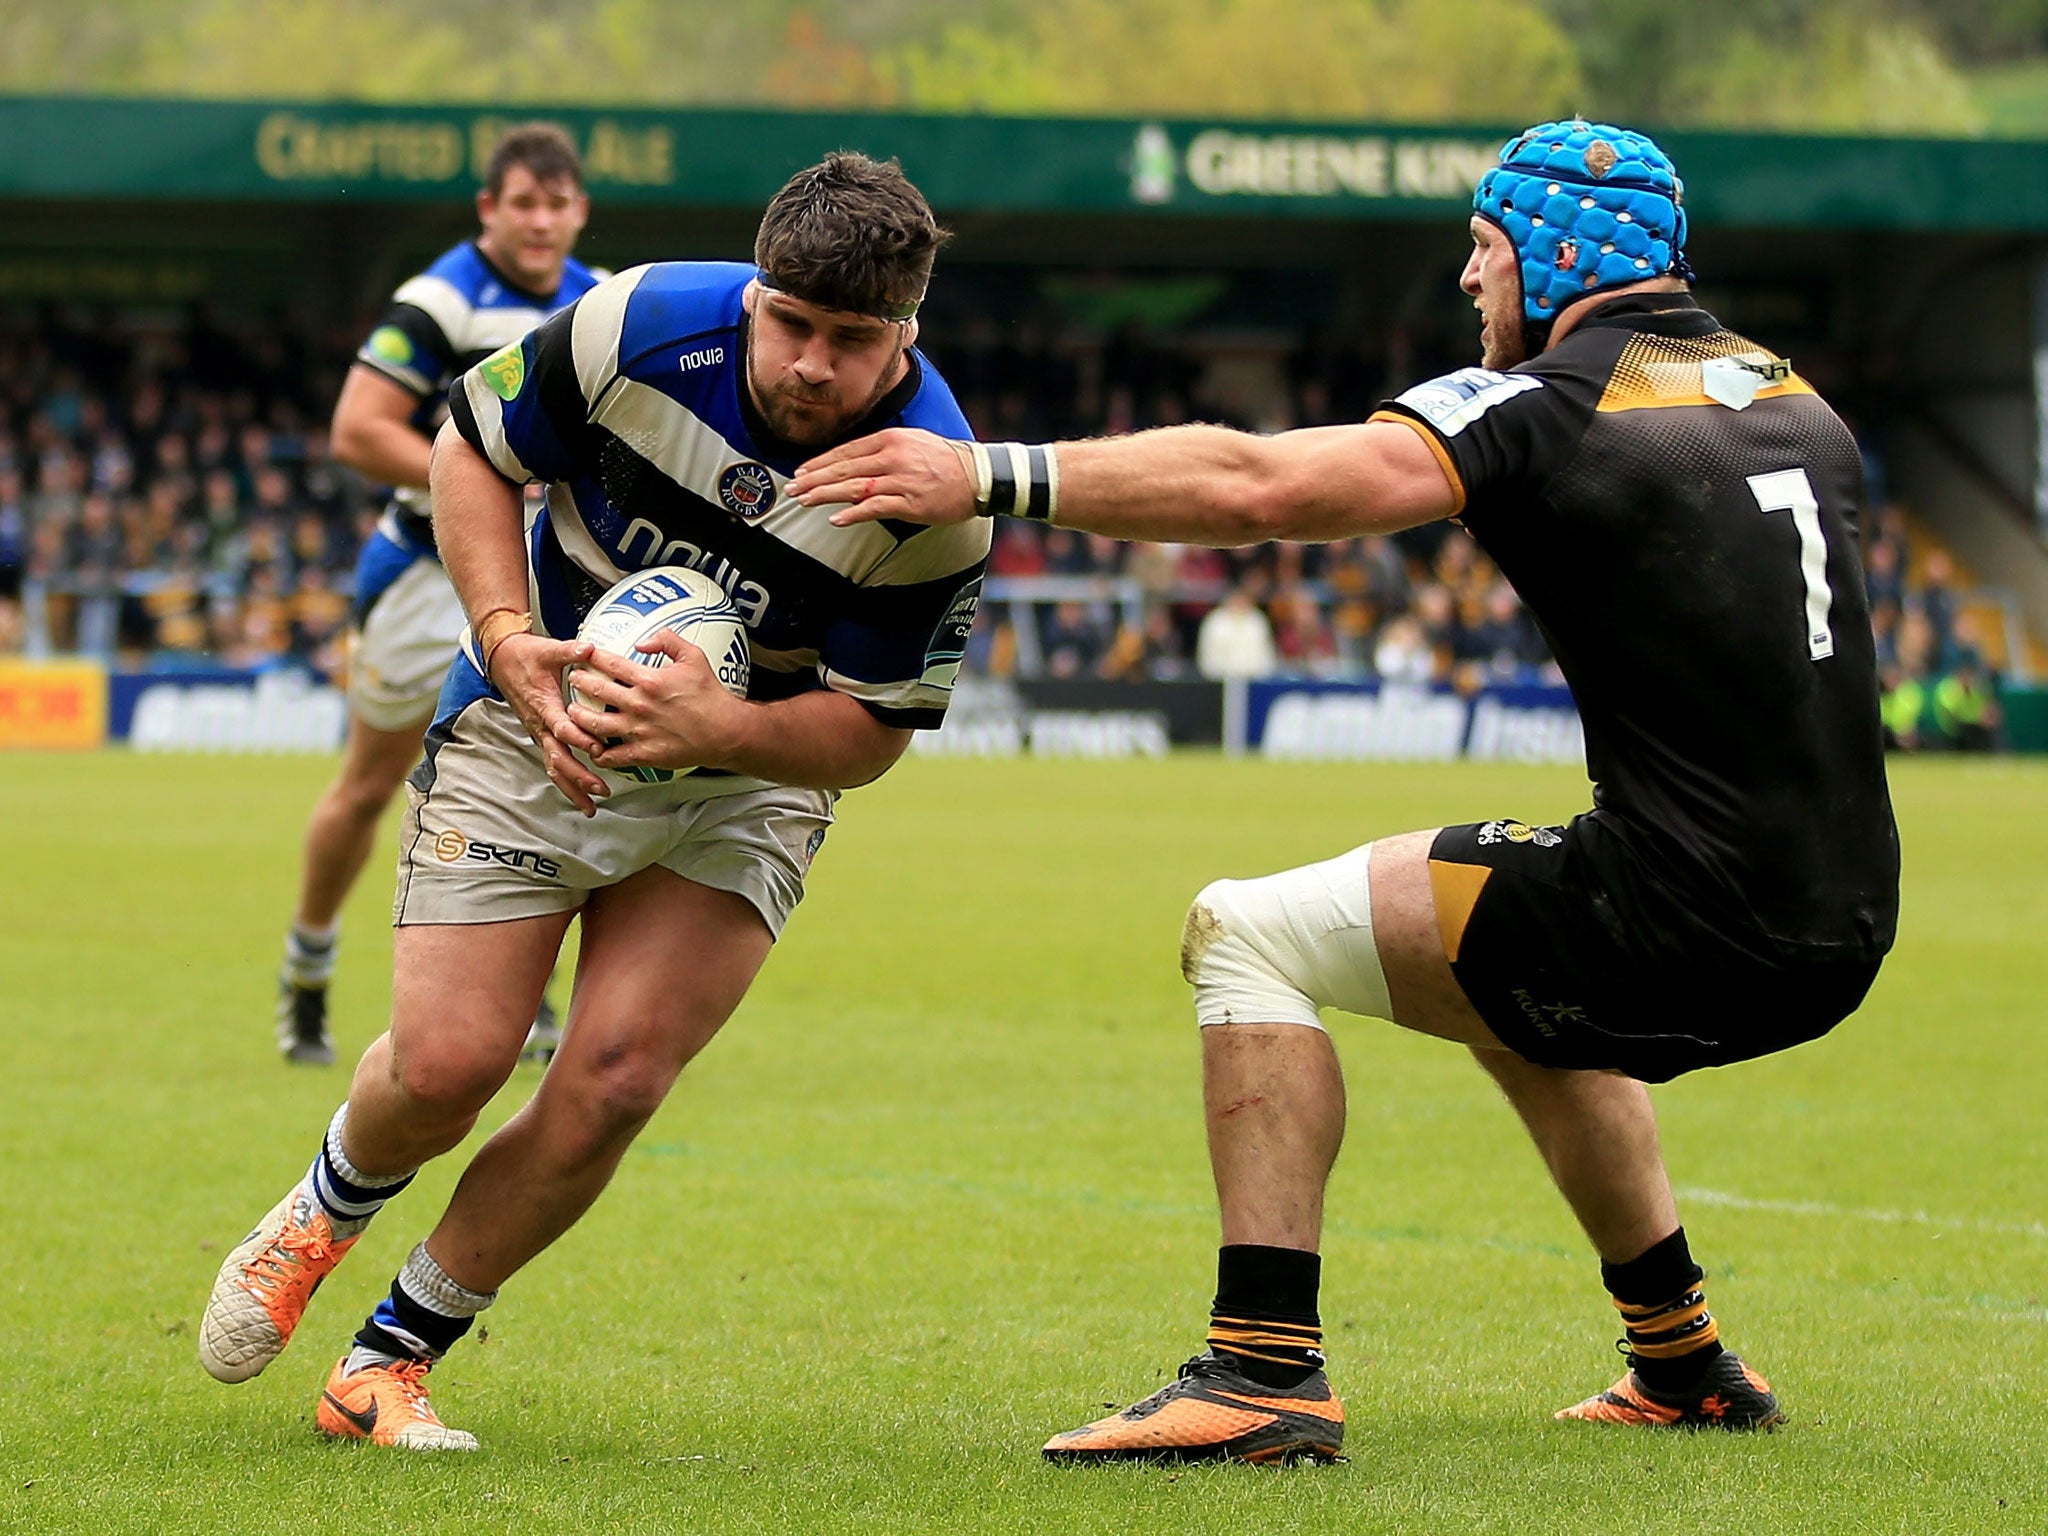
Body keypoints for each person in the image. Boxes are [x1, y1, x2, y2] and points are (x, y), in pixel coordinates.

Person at [791, 120, 1899, 1462]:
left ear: (1547, 256)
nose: (1468, 285)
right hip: (1845, 921)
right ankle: (1681, 1360)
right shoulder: (1796, 398)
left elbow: (1262, 487)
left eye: (1484, 254)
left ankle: (1261, 1370)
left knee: (1242, 931)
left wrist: (990, 474)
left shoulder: (1542, 406)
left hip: (1683, 916)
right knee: (1501, 949)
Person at [199, 152, 988, 1450]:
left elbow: (870, 737)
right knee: (448, 1067)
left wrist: (717, 726)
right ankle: (320, 1214)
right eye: (790, 325)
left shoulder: (936, 492)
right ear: (751, 294)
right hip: (534, 714)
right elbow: (467, 444)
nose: (810, 366)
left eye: (852, 342)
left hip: (745, 781)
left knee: (617, 1075)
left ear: (905, 330)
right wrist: (506, 636)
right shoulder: (632, 326)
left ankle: (389, 1363)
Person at [275, 122, 603, 1065]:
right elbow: (356, 430)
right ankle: (307, 967)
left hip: (541, 577)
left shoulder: (598, 303)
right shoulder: (439, 302)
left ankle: (526, 995)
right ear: (489, 210)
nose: (541, 222)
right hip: (422, 572)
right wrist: (492, 478)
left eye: (558, 204)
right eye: (524, 204)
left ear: (579, 211)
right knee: (370, 784)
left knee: (541, 766)